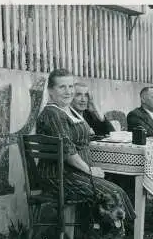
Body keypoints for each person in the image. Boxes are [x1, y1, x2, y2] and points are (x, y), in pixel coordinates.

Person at [36, 69, 136, 221]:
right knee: (113, 193)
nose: (68, 91)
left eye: (70, 87)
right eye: (62, 87)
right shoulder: (52, 113)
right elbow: (68, 151)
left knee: (115, 185)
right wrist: (89, 170)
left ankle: (107, 235)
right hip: (58, 176)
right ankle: (119, 233)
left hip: (72, 173)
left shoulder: (67, 111)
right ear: (50, 91)